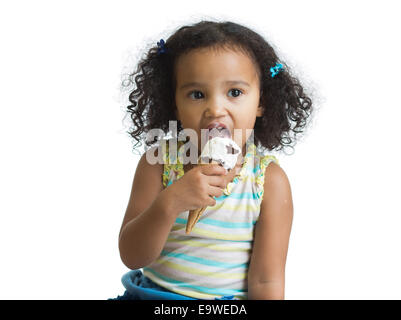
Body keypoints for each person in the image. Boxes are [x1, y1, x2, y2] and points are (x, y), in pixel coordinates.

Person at [110, 20, 313, 300]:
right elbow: (132, 256)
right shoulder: (158, 164)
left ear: (261, 102)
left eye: (235, 92)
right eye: (197, 94)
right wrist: (171, 203)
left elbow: (266, 282)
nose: (215, 109)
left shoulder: (267, 181)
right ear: (175, 104)